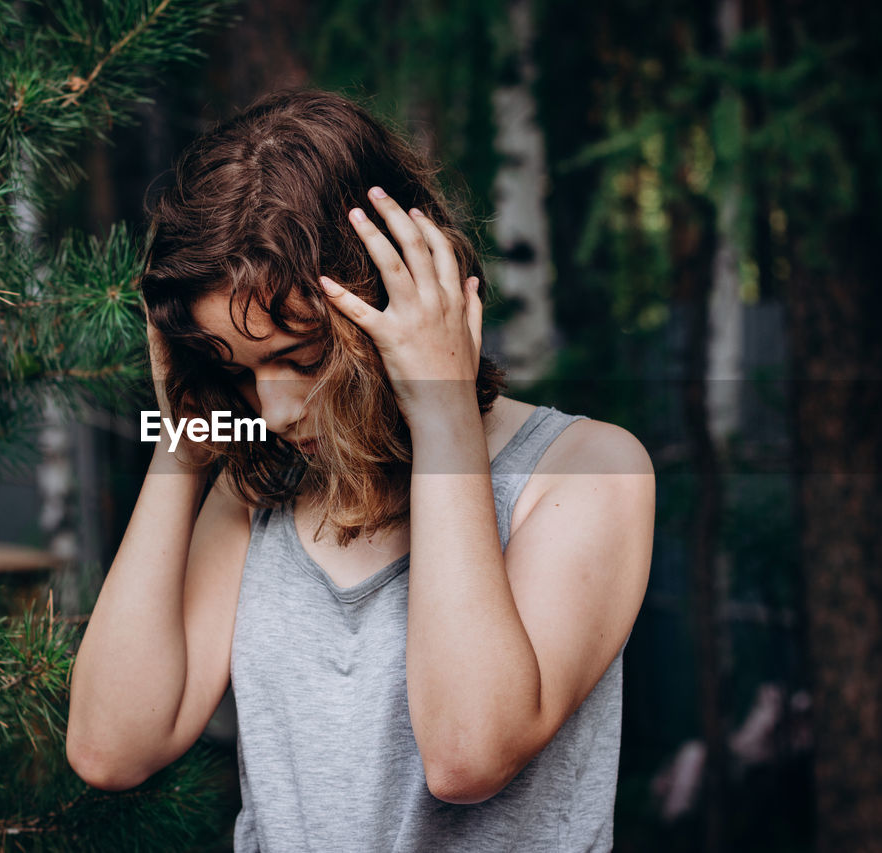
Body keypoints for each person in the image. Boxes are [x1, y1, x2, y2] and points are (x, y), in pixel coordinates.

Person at [66, 90, 654, 852]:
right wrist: (182, 440)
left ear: (408, 293)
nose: (271, 408)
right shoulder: (258, 492)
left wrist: (441, 412)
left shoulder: (588, 473)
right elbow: (110, 747)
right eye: (237, 370)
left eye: (302, 357)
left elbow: (467, 753)